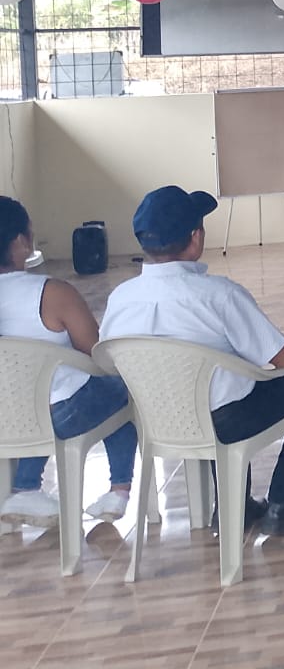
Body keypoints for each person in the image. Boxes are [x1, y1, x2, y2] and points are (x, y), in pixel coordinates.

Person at [99, 186, 284, 535]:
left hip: (156, 419)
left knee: (216, 385)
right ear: (196, 238)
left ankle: (234, 508)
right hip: (227, 422)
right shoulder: (219, 295)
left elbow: (109, 362)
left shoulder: (121, 299)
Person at [0, 197, 137, 528]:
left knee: (30, 401)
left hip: (7, 416)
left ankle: (25, 488)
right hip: (60, 412)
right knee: (121, 391)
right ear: (20, 242)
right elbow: (96, 353)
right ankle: (118, 491)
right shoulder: (52, 292)